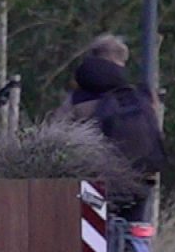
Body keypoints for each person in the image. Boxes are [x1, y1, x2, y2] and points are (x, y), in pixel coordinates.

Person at [56, 34, 165, 221]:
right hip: (140, 182)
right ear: (123, 61)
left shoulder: (77, 98)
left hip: (96, 185)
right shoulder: (141, 95)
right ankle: (139, 248)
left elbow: (56, 135)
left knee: (85, 220)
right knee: (135, 228)